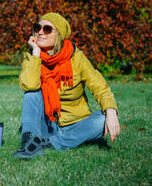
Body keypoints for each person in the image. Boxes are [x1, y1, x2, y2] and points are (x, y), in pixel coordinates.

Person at [13, 12, 120, 159]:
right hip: (48, 124)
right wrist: (36, 55)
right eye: (38, 28)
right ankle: (30, 142)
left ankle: (52, 143)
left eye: (47, 29)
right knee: (31, 94)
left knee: (102, 121)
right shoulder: (32, 57)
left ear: (59, 35)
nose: (40, 33)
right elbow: (29, 86)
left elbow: (99, 86)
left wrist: (111, 112)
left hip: (76, 123)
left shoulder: (77, 58)